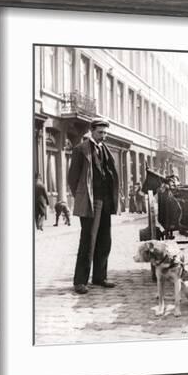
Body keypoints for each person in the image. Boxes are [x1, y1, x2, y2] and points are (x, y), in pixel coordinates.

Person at [68, 119, 119, 294]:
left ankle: (99, 277)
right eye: (100, 133)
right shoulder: (80, 149)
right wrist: (82, 197)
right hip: (91, 201)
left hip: (105, 201)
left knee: (105, 240)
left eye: (105, 133)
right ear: (91, 131)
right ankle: (80, 281)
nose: (103, 136)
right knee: (88, 241)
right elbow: (72, 179)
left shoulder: (105, 149)